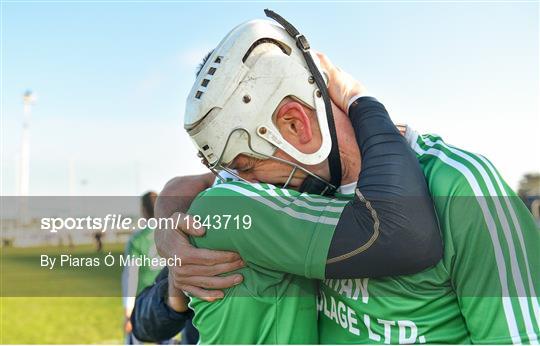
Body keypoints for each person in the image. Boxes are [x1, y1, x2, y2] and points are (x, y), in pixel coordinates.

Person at [142, 14, 539, 344]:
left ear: (295, 125)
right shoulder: (279, 189)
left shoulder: (463, 189)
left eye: (244, 166)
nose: (241, 183)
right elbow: (194, 186)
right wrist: (166, 221)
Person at [121, 191, 166, 344]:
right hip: (167, 298)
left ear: (144, 210)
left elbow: (130, 276)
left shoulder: (137, 239)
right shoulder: (171, 233)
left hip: (143, 301)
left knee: (134, 339)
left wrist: (128, 309)